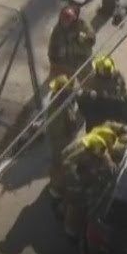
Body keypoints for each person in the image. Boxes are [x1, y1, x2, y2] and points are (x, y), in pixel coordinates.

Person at [62, 132, 116, 240]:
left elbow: (111, 169)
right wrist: (77, 179)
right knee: (74, 211)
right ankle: (71, 233)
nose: (100, 153)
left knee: (92, 212)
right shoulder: (81, 153)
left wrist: (104, 170)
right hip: (79, 189)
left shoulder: (102, 154)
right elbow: (68, 164)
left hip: (93, 190)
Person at [44, 76, 84, 206]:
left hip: (56, 138)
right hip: (62, 140)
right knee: (61, 163)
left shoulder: (56, 99)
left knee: (57, 162)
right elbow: (71, 125)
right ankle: (56, 189)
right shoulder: (62, 107)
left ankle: (54, 183)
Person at [48, 4, 95, 80]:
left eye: (67, 20)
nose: (64, 23)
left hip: (82, 59)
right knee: (61, 84)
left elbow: (92, 38)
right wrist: (55, 63)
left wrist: (83, 39)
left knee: (87, 81)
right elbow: (52, 50)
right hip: (65, 63)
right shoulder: (57, 31)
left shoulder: (82, 25)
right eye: (63, 20)